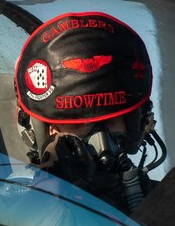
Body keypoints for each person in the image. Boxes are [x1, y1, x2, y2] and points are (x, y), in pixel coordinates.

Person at [13, 12, 155, 212]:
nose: (102, 145)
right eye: (76, 124)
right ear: (42, 131)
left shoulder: (169, 202)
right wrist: (51, 197)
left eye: (113, 121)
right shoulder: (3, 213)